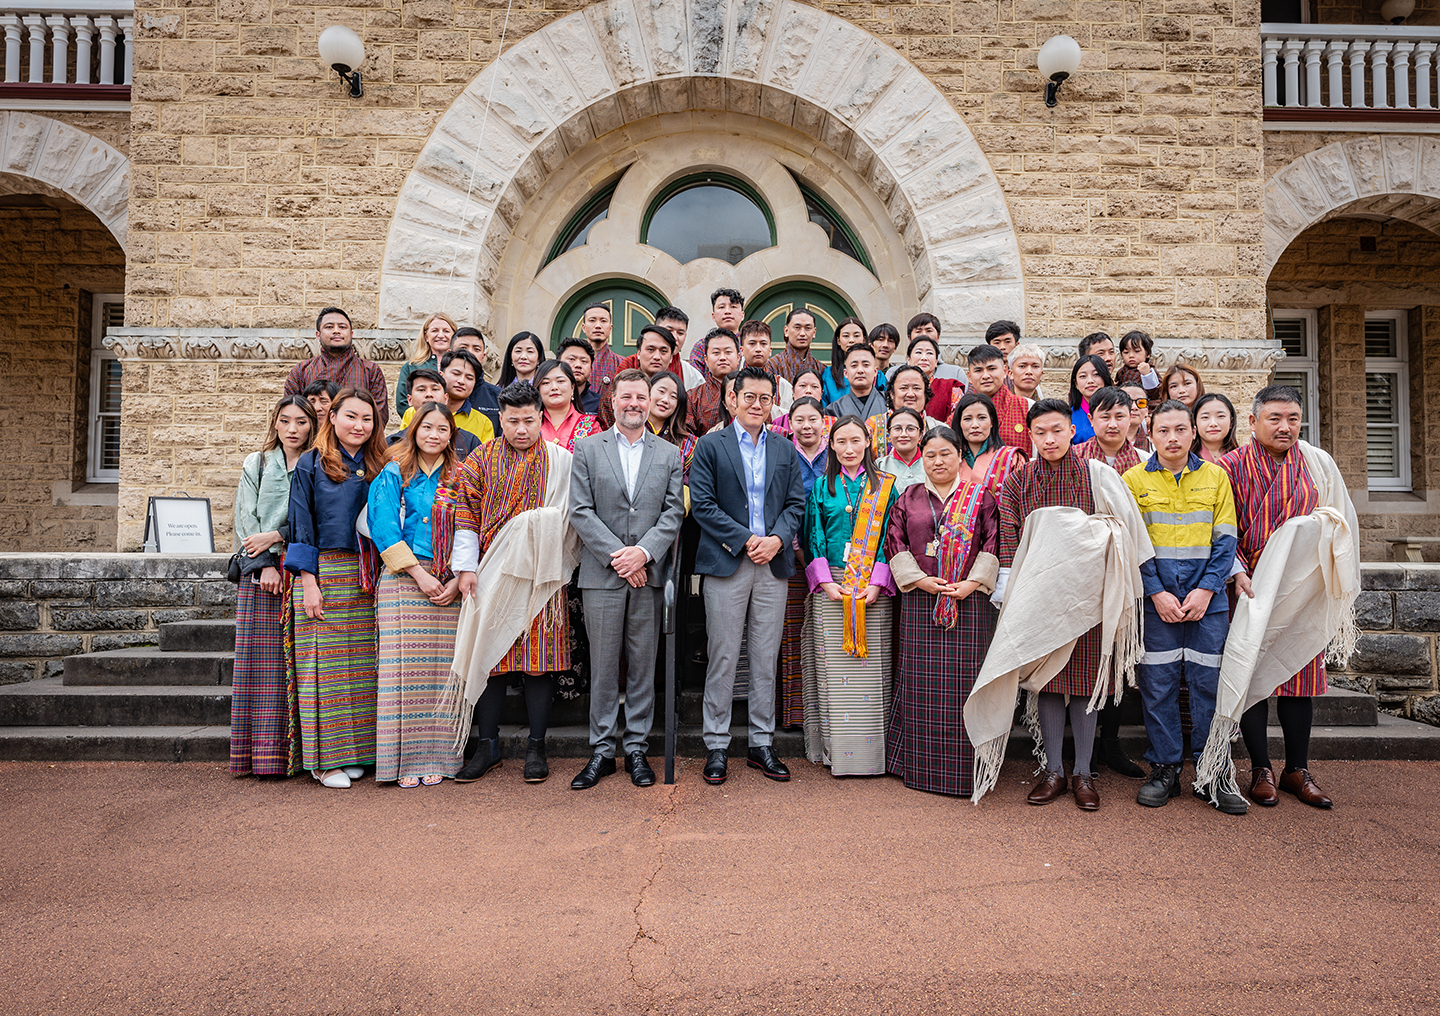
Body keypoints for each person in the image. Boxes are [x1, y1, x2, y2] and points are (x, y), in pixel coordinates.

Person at [963, 398, 1152, 809]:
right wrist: (1010, 591)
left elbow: (1126, 528)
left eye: (1057, 431)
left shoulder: (1098, 474)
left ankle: (1083, 773)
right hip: (1040, 594)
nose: (1049, 439)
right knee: (1044, 681)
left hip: (1089, 596)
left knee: (1084, 684)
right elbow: (1010, 539)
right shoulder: (1018, 481)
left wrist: (1086, 534)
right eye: (1040, 433)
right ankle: (1053, 771)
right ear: (1029, 435)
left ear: (1072, 431)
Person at [1213, 385, 1359, 810]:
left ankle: (1297, 768)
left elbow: (1340, 518)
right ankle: (1261, 768)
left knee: (1300, 680)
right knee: (1252, 675)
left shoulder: (1318, 463)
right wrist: (1237, 570)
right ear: (1254, 420)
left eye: (1292, 419)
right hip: (1251, 585)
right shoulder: (1229, 467)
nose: (1284, 426)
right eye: (1275, 418)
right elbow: (1221, 530)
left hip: (1301, 589)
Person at [448, 382, 579, 785]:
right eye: (512, 421)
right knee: (491, 659)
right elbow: (464, 513)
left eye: (528, 420)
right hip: (492, 569)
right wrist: (466, 568)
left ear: (541, 416)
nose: (521, 429)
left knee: (538, 665)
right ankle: (487, 747)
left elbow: (573, 514)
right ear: (499, 418)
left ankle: (536, 748)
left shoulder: (562, 460)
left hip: (543, 575)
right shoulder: (480, 459)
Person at [1122, 399, 1248, 814]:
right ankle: (1165, 769)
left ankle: (1213, 771)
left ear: (1194, 432)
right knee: (1157, 688)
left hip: (1205, 604)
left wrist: (1208, 590)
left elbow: (1226, 539)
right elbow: (1131, 545)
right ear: (1150, 434)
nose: (1172, 438)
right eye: (1163, 430)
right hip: (1154, 602)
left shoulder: (1216, 477)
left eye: (1180, 429)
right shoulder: (1132, 479)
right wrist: (1156, 592)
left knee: (1208, 686)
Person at [567, 369, 686, 790]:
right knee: (603, 667)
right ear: (612, 400)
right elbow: (580, 510)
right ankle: (601, 750)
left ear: (651, 401)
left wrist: (644, 554)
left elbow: (673, 513)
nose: (634, 403)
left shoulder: (670, 453)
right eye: (627, 396)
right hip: (602, 576)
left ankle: (636, 747)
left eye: (642, 396)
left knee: (642, 666)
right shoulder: (587, 449)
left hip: (648, 576)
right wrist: (621, 558)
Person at [689, 365, 806, 785]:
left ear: (774, 403)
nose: (757, 404)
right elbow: (701, 505)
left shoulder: (784, 449)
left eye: (765, 398)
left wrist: (775, 540)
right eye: (749, 397)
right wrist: (744, 540)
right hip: (728, 563)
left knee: (764, 655)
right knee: (722, 655)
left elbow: (796, 504)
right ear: (732, 399)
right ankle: (716, 745)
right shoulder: (710, 446)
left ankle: (761, 743)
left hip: (772, 565)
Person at [884, 425, 1000, 796]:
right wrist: (919, 581)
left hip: (969, 602)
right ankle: (918, 769)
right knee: (922, 684)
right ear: (922, 457)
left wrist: (971, 584)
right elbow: (895, 543)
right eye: (930, 454)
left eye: (945, 453)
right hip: (920, 600)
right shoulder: (908, 497)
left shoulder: (980, 497)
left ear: (959, 454)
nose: (938, 461)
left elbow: (994, 544)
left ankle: (966, 772)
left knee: (965, 686)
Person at [284, 388, 390, 789]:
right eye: (351, 417)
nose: (359, 426)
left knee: (363, 668)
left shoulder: (381, 463)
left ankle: (359, 752)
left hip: (365, 574)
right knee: (323, 670)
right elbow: (300, 522)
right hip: (322, 572)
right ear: (332, 417)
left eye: (367, 419)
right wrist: (308, 581)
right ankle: (325, 762)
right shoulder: (312, 464)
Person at [367, 402, 465, 788]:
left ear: (451, 436)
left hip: (450, 581)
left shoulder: (460, 477)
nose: (434, 435)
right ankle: (401, 761)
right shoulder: (395, 472)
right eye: (427, 427)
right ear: (414, 430)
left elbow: (471, 528)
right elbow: (384, 526)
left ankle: (442, 758)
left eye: (443, 429)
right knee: (402, 675)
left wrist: (459, 578)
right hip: (405, 580)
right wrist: (419, 575)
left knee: (443, 676)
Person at [801, 415, 897, 776]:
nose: (849, 449)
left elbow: (892, 536)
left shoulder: (887, 486)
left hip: (875, 588)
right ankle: (836, 755)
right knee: (832, 671)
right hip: (833, 587)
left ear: (868, 443)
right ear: (832, 444)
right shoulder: (821, 487)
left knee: (872, 674)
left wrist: (877, 581)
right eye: (841, 441)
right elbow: (814, 536)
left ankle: (875, 759)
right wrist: (825, 581)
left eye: (856, 441)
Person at [231, 395, 316, 777]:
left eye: (301, 421)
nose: (294, 429)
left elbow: (314, 516)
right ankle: (263, 756)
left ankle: (300, 755)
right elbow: (245, 517)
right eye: (286, 421)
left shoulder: (317, 463)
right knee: (264, 666)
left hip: (301, 563)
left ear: (312, 425)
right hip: (262, 571)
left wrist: (277, 535)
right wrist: (263, 562)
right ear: (276, 424)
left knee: (299, 664)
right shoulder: (258, 463)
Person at [777, 395, 829, 729]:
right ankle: (797, 715)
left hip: (836, 558)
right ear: (790, 423)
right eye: (800, 420)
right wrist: (798, 548)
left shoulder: (837, 452)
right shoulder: (783, 454)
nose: (806, 426)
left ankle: (830, 713)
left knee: (829, 633)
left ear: (825, 421)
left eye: (813, 419)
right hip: (790, 556)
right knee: (793, 632)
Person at [284, 307, 391, 426]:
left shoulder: (370, 371)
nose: (336, 331)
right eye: (329, 327)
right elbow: (290, 413)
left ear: (351, 334)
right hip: (312, 443)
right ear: (318, 335)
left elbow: (379, 416)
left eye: (342, 327)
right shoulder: (301, 371)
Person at [933, 344, 1032, 456]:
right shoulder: (960, 412)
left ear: (1005, 371)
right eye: (978, 370)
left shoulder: (1027, 407)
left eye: (991, 369)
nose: (985, 376)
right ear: (969, 377)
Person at [398, 351, 496, 446]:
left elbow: (484, 460)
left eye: (469, 378)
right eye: (456, 374)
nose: (461, 381)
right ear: (441, 375)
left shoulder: (483, 423)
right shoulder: (412, 412)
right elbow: (403, 448)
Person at [393, 367, 484, 459]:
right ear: (409, 400)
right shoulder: (393, 443)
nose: (429, 394)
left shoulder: (469, 442)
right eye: (421, 390)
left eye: (435, 389)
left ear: (446, 398)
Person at [951, 393, 1026, 497]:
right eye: (967, 419)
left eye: (981, 418)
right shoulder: (951, 459)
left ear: (992, 422)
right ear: (959, 423)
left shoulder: (1011, 459)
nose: (975, 425)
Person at [396, 312, 457, 417]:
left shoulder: (461, 367)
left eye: (446, 331)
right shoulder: (411, 367)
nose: (441, 335)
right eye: (435, 331)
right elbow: (402, 404)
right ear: (426, 336)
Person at [535, 359, 601, 451]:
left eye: (560, 381)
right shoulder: (530, 425)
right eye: (546, 383)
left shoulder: (590, 425)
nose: (554, 387)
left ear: (572, 387)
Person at [1075, 386, 1144, 473]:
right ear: (1091, 419)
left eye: (1119, 417)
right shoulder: (1074, 457)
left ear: (1129, 418)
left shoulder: (1145, 460)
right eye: (1105, 417)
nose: (1113, 425)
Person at [647, 370, 697, 483]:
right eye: (661, 391)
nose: (665, 400)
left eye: (673, 397)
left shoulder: (688, 445)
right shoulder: (631, 433)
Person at [687, 328, 739, 435]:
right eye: (716, 353)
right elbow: (685, 435)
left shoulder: (753, 392)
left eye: (728, 352)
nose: (722, 357)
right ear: (706, 359)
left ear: (738, 357)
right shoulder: (693, 397)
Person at [451, 327, 503, 429]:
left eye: (476, 349)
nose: (470, 353)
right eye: (463, 348)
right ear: (449, 352)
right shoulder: (437, 392)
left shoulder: (498, 396)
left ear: (483, 356)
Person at [688, 288, 746, 380]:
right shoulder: (701, 346)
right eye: (721, 307)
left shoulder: (749, 344)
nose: (727, 311)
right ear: (713, 316)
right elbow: (695, 382)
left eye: (733, 307)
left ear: (742, 315)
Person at [739, 319, 793, 413]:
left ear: (770, 350)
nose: (758, 349)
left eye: (763, 344)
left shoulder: (782, 385)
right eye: (752, 344)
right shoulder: (732, 382)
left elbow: (788, 419)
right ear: (741, 350)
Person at [824, 342, 887, 421]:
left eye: (866, 365)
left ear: (875, 372)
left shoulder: (889, 403)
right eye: (854, 366)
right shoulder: (834, 410)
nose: (860, 370)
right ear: (846, 373)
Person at [769, 307, 826, 384]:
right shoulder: (773, 365)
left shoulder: (822, 369)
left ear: (814, 332)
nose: (802, 333)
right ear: (786, 331)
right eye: (797, 328)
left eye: (808, 328)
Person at [821, 316, 869, 404]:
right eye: (846, 336)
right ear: (838, 341)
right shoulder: (828, 375)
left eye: (856, 335)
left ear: (864, 339)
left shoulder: (876, 374)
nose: (851, 340)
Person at [905, 313, 964, 382]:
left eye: (929, 331)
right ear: (909, 338)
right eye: (918, 331)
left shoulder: (956, 373)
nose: (924, 335)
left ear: (938, 336)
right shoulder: (894, 373)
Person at [877, 408, 925, 491]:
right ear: (889, 434)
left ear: (920, 434)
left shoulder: (931, 463)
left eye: (910, 429)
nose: (903, 434)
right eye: (897, 428)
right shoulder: (880, 465)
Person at [1068, 353, 1112, 444]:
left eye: (1096, 374)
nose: (1090, 381)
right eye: (1083, 376)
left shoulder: (1118, 409)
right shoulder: (1068, 416)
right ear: (1075, 383)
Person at [558, 336, 601, 414]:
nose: (578, 365)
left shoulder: (599, 404)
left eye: (584, 361)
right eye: (571, 359)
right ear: (558, 364)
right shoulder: (546, 399)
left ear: (591, 368)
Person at [1193, 391, 1239, 463]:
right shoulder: (1186, 459)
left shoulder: (1241, 459)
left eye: (1220, 416)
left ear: (1231, 422)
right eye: (1205, 417)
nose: (1213, 424)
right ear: (1195, 422)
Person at [1122, 384, 1151, 453]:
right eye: (1127, 402)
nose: (1134, 407)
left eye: (1141, 402)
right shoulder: (1102, 443)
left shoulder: (1156, 446)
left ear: (1146, 410)